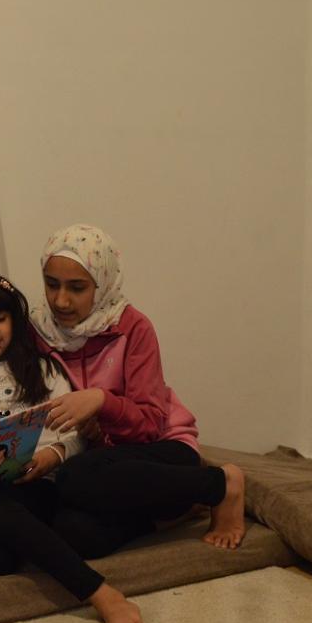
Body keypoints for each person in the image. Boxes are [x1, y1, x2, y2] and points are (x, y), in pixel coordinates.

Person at [0, 270, 146, 623]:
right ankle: (37, 541)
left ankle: (100, 593)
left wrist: (54, 453)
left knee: (66, 529)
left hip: (43, 485)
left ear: (14, 320)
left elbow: (76, 434)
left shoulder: (43, 370)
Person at [30, 224, 247, 560]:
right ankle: (170, 515)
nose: (61, 300)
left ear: (102, 284)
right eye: (51, 284)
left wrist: (100, 401)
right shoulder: (37, 331)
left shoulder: (133, 327)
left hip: (161, 451)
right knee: (71, 530)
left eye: (77, 288)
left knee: (76, 477)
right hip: (101, 463)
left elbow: (149, 424)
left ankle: (220, 484)